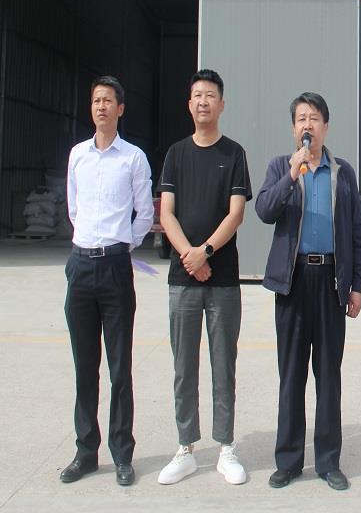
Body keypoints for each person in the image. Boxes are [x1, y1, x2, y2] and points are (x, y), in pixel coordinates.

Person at [256, 92, 361, 491]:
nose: (308, 124)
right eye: (301, 118)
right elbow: (264, 210)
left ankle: (328, 461)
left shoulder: (343, 172)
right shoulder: (279, 167)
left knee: (329, 376)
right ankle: (288, 461)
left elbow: (355, 231)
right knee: (291, 374)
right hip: (293, 281)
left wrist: (356, 285)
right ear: (294, 128)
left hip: (332, 281)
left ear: (326, 126)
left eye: (314, 118)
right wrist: (291, 175)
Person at [156, 69, 252, 486]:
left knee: (223, 364)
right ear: (189, 103)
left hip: (223, 279)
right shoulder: (176, 154)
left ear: (222, 104)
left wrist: (206, 252)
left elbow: (236, 213)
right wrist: (190, 257)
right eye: (197, 95)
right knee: (184, 366)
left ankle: (226, 447)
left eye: (210, 95)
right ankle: (186, 447)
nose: (203, 102)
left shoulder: (234, 153)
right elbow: (166, 213)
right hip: (183, 280)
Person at [60, 76, 154, 486]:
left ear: (120, 109)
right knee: (85, 367)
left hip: (115, 268)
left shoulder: (133, 158)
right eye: (96, 100)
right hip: (80, 266)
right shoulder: (77, 156)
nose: (101, 106)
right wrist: (90, 244)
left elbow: (145, 213)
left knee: (120, 369)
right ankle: (85, 452)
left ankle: (121, 454)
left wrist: (120, 246)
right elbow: (74, 209)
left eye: (108, 100)